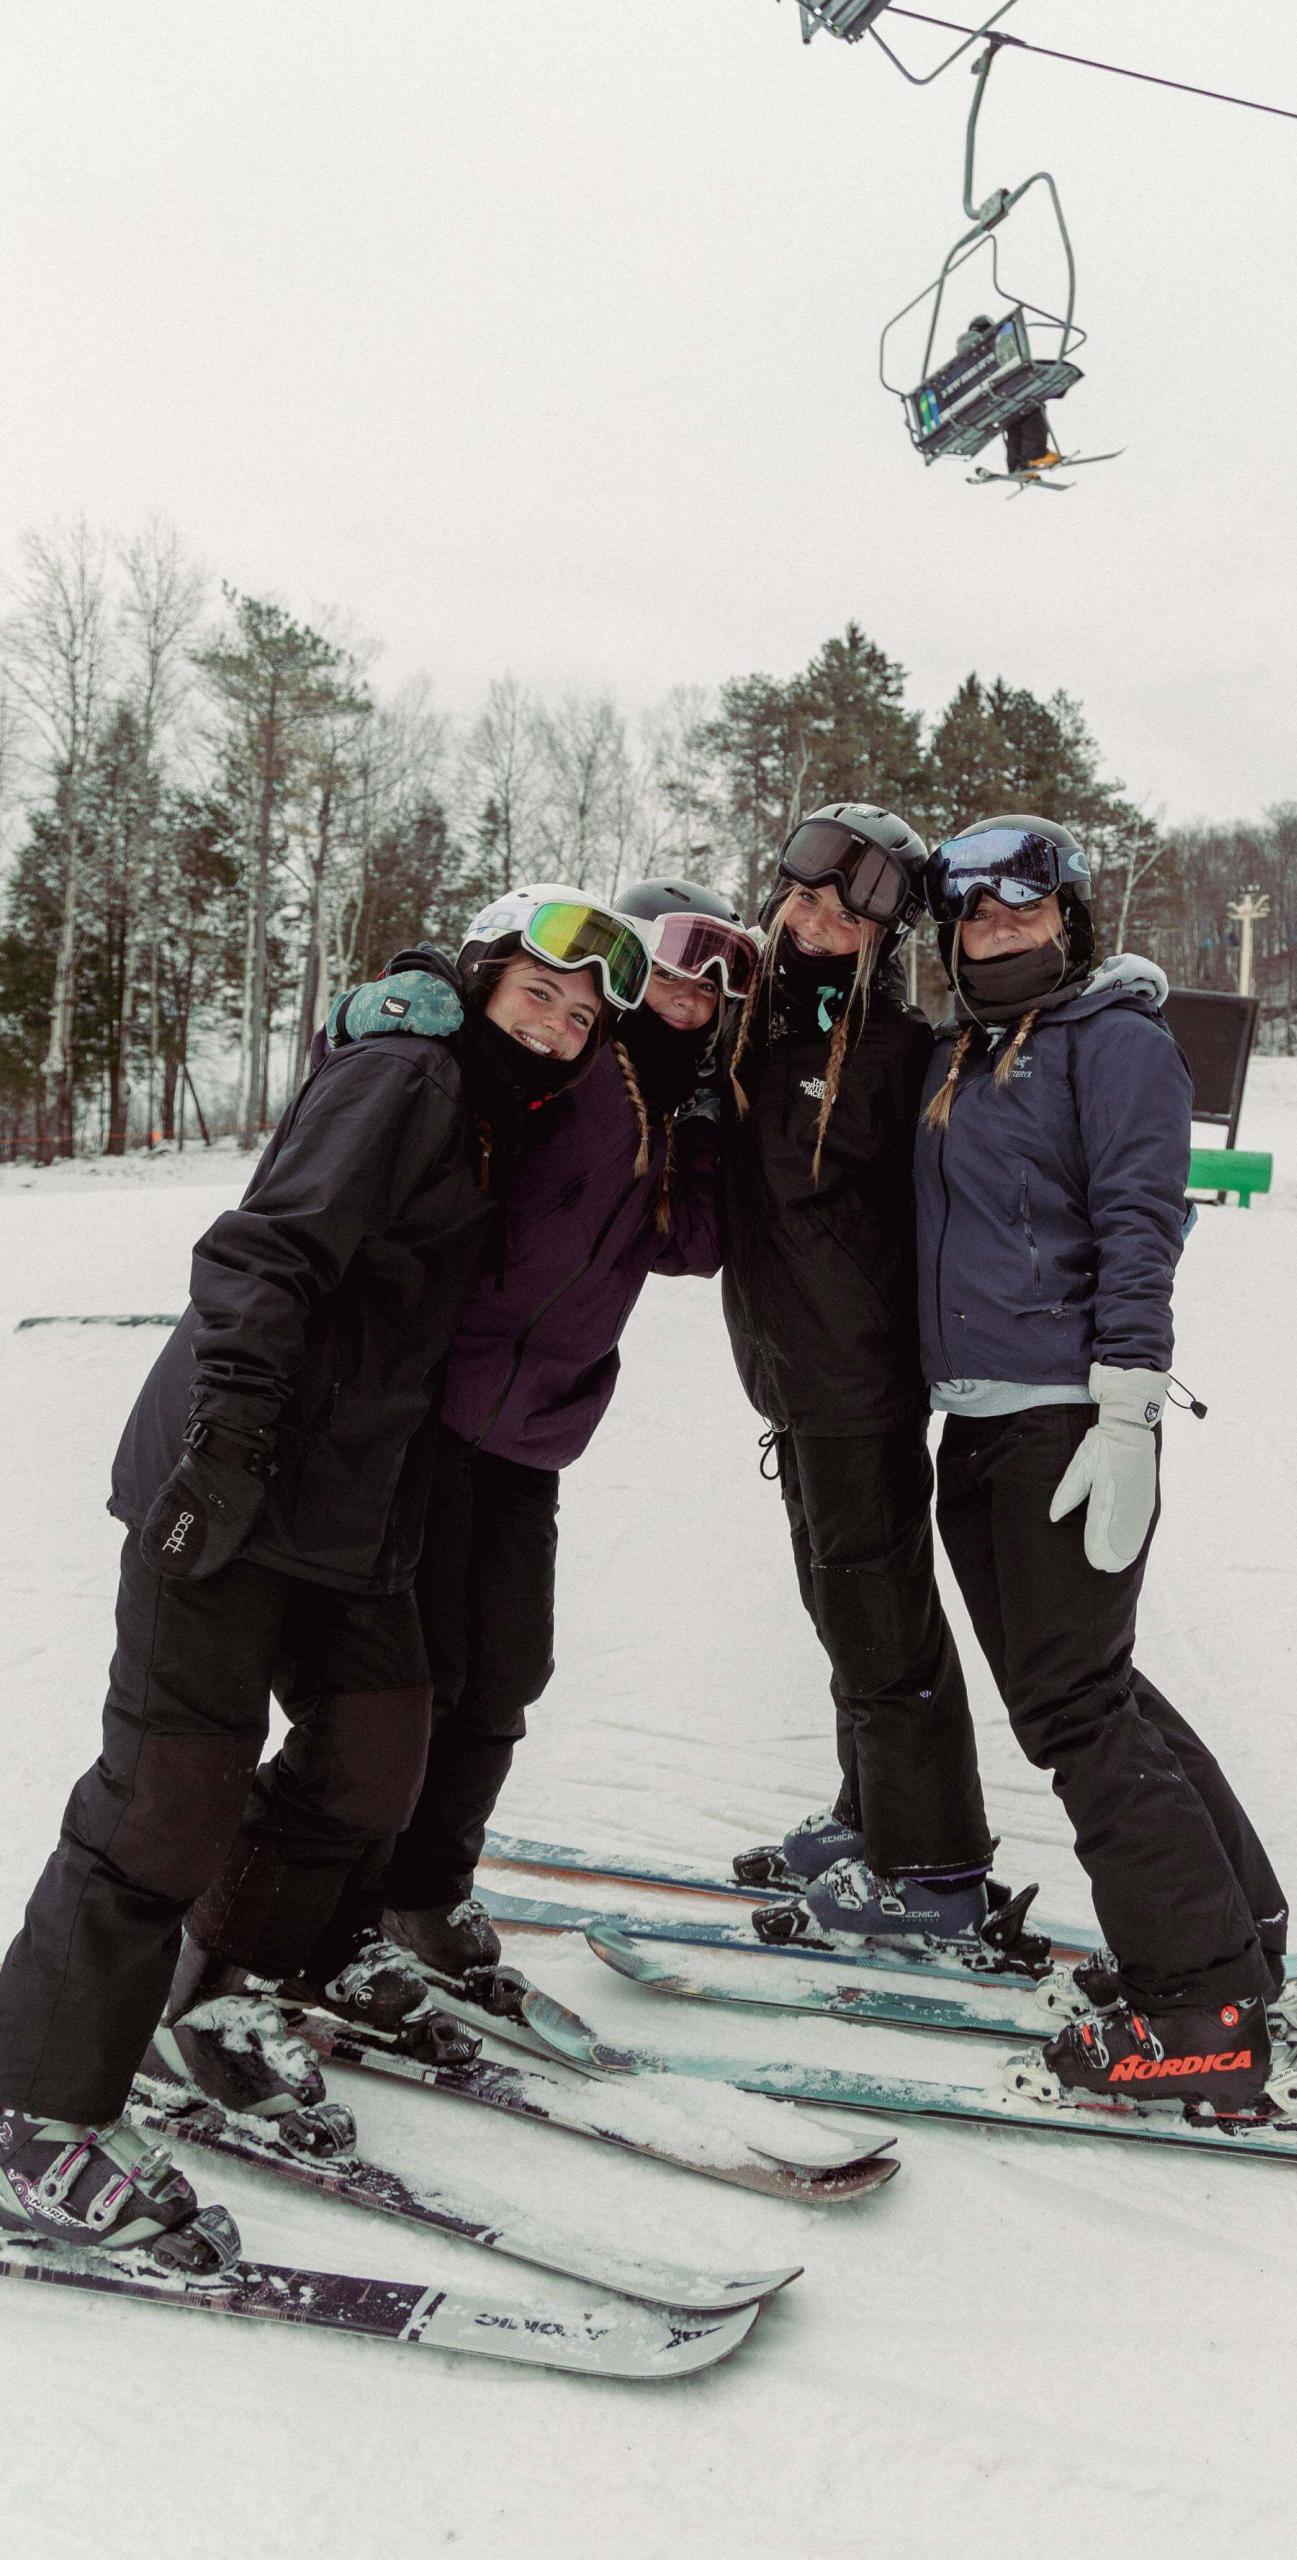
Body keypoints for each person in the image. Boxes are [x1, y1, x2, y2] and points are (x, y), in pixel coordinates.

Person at [0, 887, 649, 2265]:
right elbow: (265, 1250)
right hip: (233, 1481)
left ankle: (221, 1986)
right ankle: (30, 2114)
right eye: (538, 994)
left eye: (581, 1021)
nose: (555, 1029)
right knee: (168, 1792)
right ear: (479, 982)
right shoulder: (408, 1074)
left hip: (354, 1511)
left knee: (373, 1757)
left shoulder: (488, 1114)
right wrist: (228, 1434)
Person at [299, 880, 758, 1997]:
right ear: (629, 972)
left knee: (509, 1669)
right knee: (424, 1681)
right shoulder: (570, 1068)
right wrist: (385, 992)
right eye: (673, 979)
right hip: (438, 1406)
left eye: (715, 992)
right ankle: (334, 1909)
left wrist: (703, 1123)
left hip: (535, 1430)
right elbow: (448, 1050)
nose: (691, 1005)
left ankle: (424, 1885)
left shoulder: (656, 1090)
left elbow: (691, 1246)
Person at [916, 813, 1294, 2108]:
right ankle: (1243, 1936)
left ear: (1067, 919)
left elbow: (1144, 1219)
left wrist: (1127, 1409)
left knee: (1077, 1711)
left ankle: (1203, 2008)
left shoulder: (1114, 1042)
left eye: (1023, 909)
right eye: (976, 914)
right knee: (1087, 1694)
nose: (998, 929)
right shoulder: (965, 1053)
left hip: (1064, 1422)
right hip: (978, 1426)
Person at [719, 804, 1031, 1961]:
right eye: (803, 899)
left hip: (859, 1384)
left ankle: (936, 1867)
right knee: (839, 1607)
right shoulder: (753, 1029)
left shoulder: (903, 1054)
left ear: (883, 937)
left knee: (884, 1622)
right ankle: (872, 1815)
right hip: (790, 1380)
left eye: (847, 916)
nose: (815, 923)